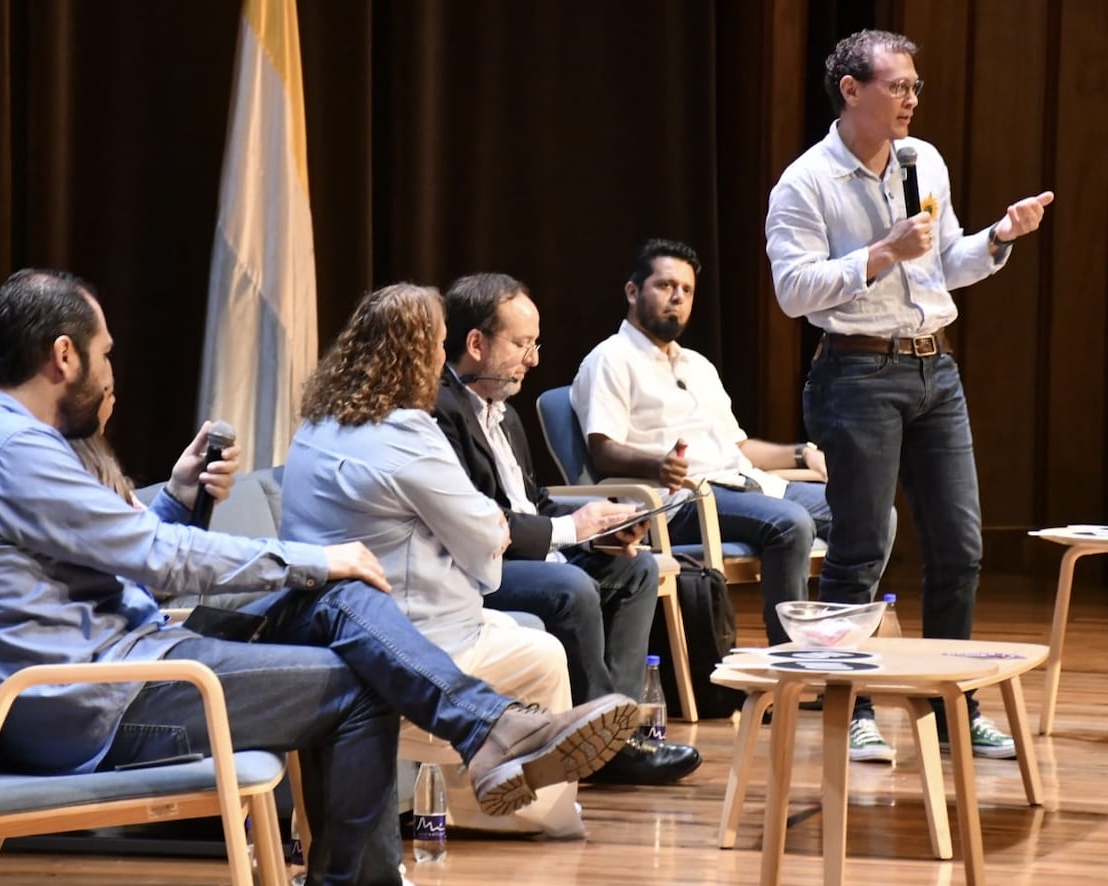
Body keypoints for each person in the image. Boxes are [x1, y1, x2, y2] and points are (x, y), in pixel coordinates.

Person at [0, 268, 637, 885]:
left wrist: (179, 496)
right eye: (106, 353)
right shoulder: (15, 453)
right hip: (102, 704)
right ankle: (476, 749)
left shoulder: (1, 441)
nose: (112, 370)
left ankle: (492, 732)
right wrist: (315, 556)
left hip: (129, 663)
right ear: (63, 356)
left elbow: (129, 554)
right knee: (359, 679)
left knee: (338, 595)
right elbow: (162, 562)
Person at [765, 29, 1054, 761]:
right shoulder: (805, 183)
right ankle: (849, 704)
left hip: (936, 370)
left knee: (959, 546)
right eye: (898, 86)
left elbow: (942, 265)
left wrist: (998, 236)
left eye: (916, 86)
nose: (912, 98)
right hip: (856, 373)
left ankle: (954, 700)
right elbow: (794, 291)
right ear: (851, 90)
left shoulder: (925, 161)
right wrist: (882, 251)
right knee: (861, 548)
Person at [280, 282, 637, 838]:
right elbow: (485, 557)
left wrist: (486, 528)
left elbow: (492, 525)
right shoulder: (408, 432)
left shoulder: (314, 425)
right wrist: (486, 531)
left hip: (322, 627)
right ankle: (524, 817)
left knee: (523, 623)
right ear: (415, 355)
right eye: (437, 347)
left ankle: (495, 770)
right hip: (410, 635)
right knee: (541, 653)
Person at [434, 272, 701, 785]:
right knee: (572, 585)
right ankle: (605, 743)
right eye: (521, 344)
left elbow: (531, 502)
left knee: (635, 568)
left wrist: (595, 530)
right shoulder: (440, 414)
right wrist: (568, 529)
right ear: (475, 343)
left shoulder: (506, 414)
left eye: (536, 344)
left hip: (528, 550)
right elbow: (474, 522)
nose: (533, 359)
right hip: (478, 567)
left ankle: (612, 729)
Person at [570, 239, 843, 655]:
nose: (677, 297)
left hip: (742, 484)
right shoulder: (610, 359)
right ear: (632, 291)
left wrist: (802, 453)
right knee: (791, 524)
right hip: (680, 503)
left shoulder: (697, 365)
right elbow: (603, 449)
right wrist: (658, 465)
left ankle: (837, 646)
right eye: (665, 286)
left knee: (866, 515)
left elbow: (739, 446)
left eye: (687, 290)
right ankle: (793, 663)